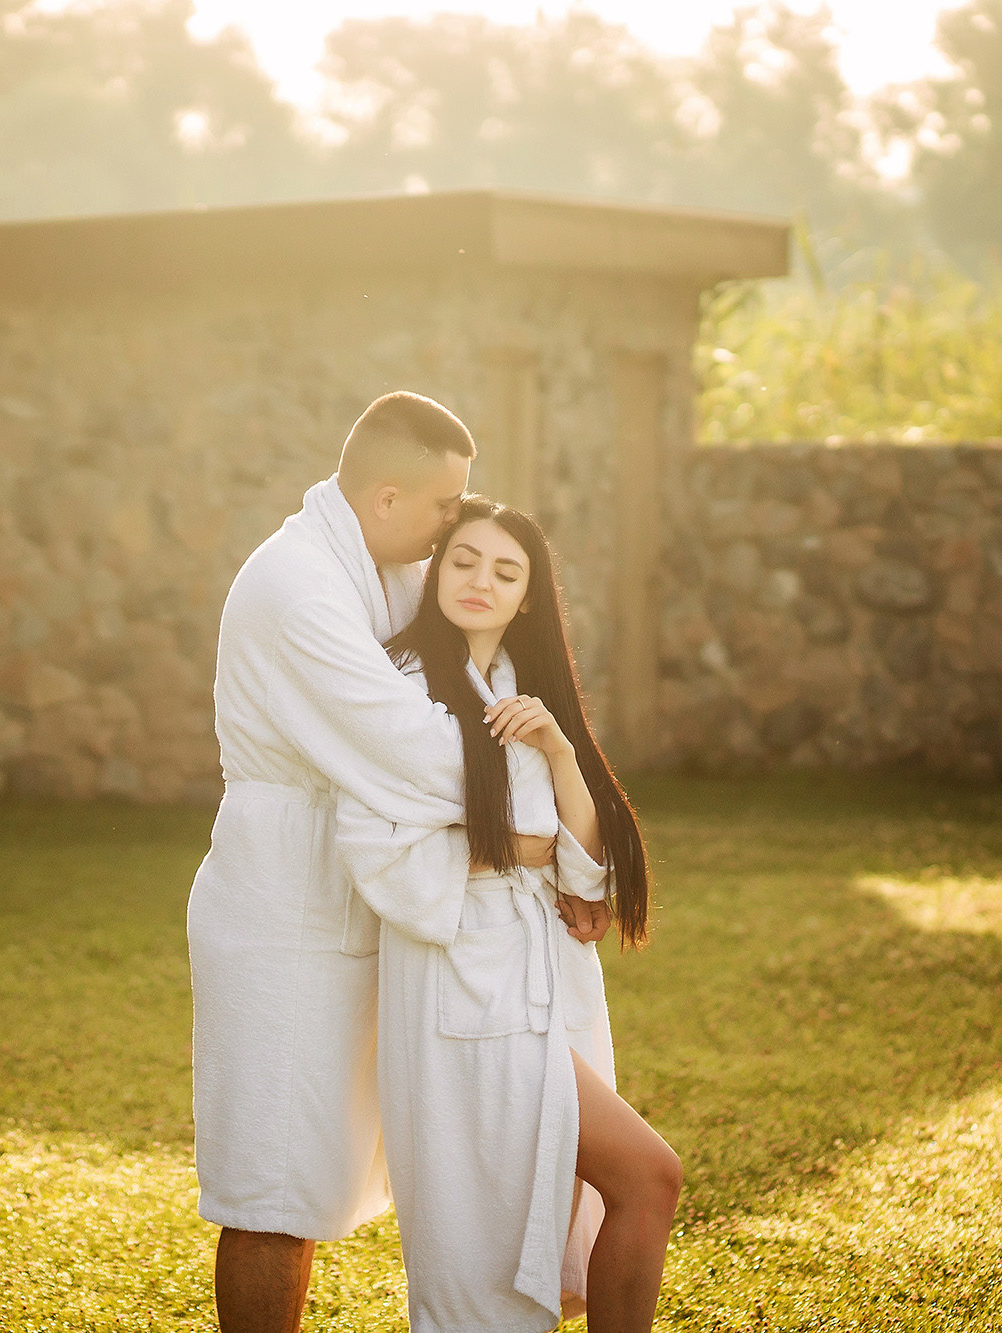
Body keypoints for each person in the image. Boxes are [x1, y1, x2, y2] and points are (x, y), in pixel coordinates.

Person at [187, 393, 603, 1333]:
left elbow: (478, 627)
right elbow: (412, 750)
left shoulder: (377, 566)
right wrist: (545, 846)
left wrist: (572, 799)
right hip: (282, 918)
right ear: (384, 498)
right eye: (445, 506)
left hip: (364, 902)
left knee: (324, 1177)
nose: (454, 522)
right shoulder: (297, 587)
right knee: (272, 1192)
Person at [340, 496, 682, 1333]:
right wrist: (522, 847)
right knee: (645, 1176)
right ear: (435, 570)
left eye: (504, 570)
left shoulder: (521, 695)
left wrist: (561, 753)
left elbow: (583, 880)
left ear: (529, 595)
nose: (479, 581)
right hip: (465, 984)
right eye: (463, 560)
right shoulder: (399, 690)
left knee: (622, 1191)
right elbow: (380, 847)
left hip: (540, 984)